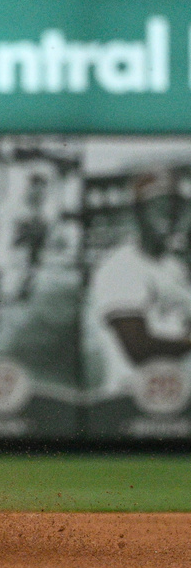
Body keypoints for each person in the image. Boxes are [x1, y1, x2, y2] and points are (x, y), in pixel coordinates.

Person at [83, 169, 191, 399]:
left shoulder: (173, 265)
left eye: (175, 207)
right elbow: (138, 347)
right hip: (129, 399)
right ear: (139, 213)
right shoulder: (121, 266)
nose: (170, 216)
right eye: (159, 206)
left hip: (173, 396)